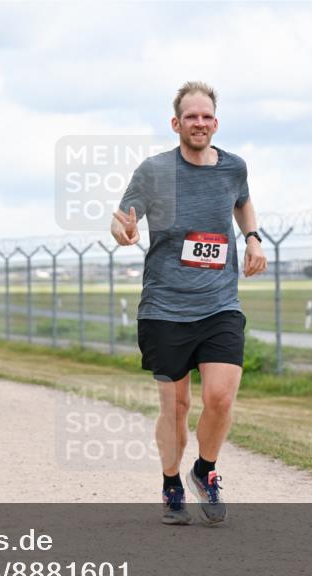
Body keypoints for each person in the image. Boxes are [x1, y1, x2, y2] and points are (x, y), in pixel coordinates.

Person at [111, 81, 268, 526]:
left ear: (215, 123)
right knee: (176, 408)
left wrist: (252, 238)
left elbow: (242, 201)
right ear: (176, 123)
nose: (199, 123)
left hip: (220, 303)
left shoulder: (234, 166)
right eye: (190, 117)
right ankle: (171, 484)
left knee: (219, 398)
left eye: (206, 116)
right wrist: (124, 231)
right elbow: (122, 218)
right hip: (165, 307)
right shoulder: (154, 170)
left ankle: (204, 470)